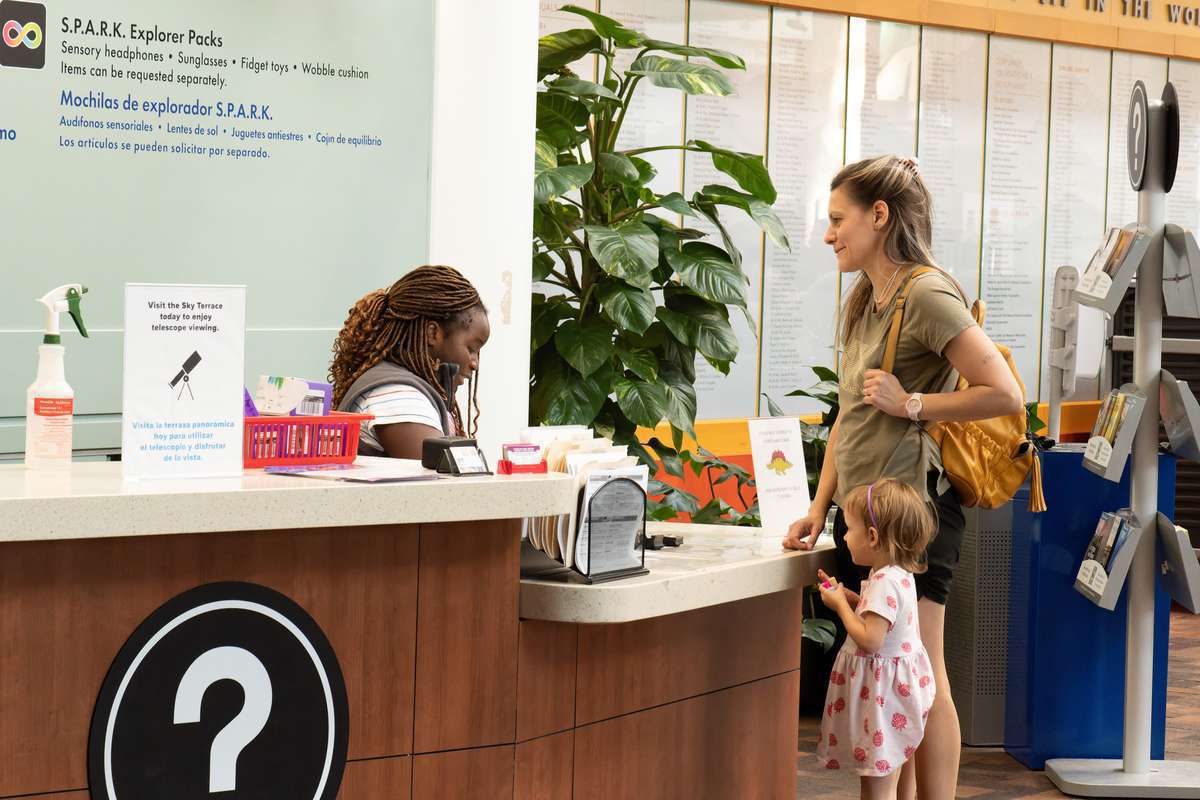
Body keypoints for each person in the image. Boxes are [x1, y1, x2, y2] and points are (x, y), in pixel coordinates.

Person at [785, 155, 1022, 800]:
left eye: (838, 220)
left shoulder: (926, 294)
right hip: (868, 517)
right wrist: (818, 504)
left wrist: (912, 404)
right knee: (897, 672)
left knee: (925, 670)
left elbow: (1002, 395)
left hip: (916, 514)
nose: (829, 234)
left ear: (879, 215)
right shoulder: (866, 299)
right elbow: (849, 419)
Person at [816, 480, 938, 800]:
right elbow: (882, 617)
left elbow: (870, 640)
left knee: (875, 784)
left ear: (872, 537)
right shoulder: (898, 573)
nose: (843, 536)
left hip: (883, 700)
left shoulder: (884, 581)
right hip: (897, 694)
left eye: (849, 528)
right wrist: (852, 598)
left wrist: (840, 606)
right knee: (889, 774)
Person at [329, 265, 490, 459]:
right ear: (432, 334)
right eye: (471, 349)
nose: (474, 364)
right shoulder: (397, 396)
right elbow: (440, 486)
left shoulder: (404, 388)